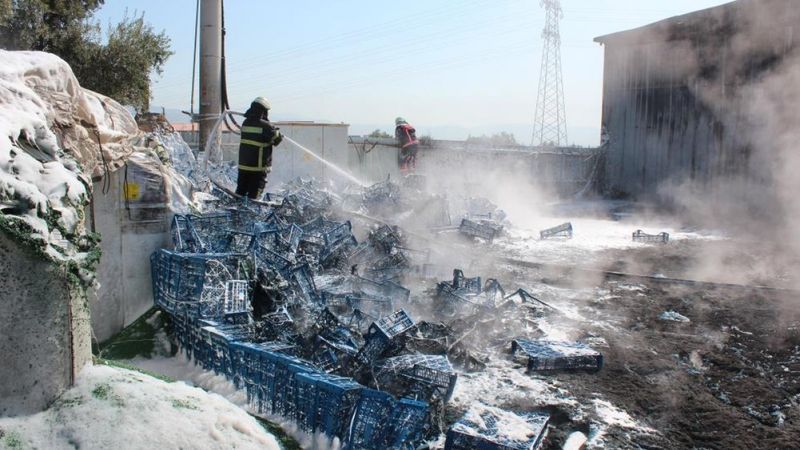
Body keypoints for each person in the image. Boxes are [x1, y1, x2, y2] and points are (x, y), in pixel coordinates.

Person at [236, 96, 283, 199]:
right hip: (257, 169)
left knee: (240, 193)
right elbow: (277, 140)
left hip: (243, 167)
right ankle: (249, 215)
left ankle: (236, 213)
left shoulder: (245, 123)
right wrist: (276, 132)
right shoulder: (267, 126)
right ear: (263, 111)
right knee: (254, 197)